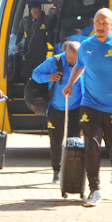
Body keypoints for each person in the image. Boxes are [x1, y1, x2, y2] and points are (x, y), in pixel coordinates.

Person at [64, 8, 112, 207]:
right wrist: (71, 83)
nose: (100, 26)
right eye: (97, 22)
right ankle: (95, 189)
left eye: (105, 22)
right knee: (91, 146)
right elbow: (79, 66)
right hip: (90, 104)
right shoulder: (86, 46)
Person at [32, 41, 83, 183]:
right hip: (56, 108)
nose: (73, 63)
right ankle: (57, 170)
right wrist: (49, 77)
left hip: (76, 108)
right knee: (56, 141)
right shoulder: (53, 62)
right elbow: (35, 74)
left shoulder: (84, 62)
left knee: (75, 141)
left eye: (76, 60)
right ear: (65, 52)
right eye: (70, 59)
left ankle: (73, 170)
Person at [16, 0, 51, 81]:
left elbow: (51, 32)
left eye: (38, 11)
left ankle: (39, 90)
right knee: (26, 73)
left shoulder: (46, 20)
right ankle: (27, 90)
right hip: (28, 51)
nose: (36, 14)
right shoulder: (25, 21)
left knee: (40, 72)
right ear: (31, 11)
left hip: (41, 51)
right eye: (34, 12)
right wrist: (18, 43)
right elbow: (20, 33)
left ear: (41, 11)